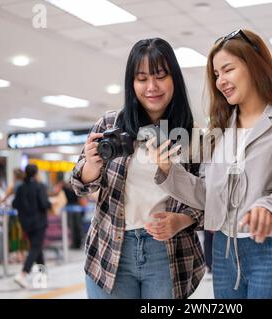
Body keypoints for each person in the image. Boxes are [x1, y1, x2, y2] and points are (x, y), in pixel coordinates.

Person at [150, 29, 272, 299]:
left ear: (254, 65)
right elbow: (207, 194)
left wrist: (268, 207)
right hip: (223, 249)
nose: (221, 81)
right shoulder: (220, 130)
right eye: (216, 75)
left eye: (227, 70)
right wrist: (170, 170)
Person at [70, 38, 205, 299]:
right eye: (141, 78)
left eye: (160, 76)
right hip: (110, 247)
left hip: (167, 252)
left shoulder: (193, 135)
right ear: (131, 84)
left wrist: (181, 221)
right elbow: (79, 184)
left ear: (174, 79)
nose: (151, 87)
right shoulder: (110, 123)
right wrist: (91, 165)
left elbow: (207, 198)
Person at [12, 164, 51, 288]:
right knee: (35, 248)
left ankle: (42, 276)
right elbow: (44, 204)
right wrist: (51, 204)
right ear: (36, 173)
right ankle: (23, 273)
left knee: (37, 248)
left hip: (26, 223)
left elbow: (14, 204)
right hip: (39, 222)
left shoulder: (20, 188)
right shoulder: (40, 187)